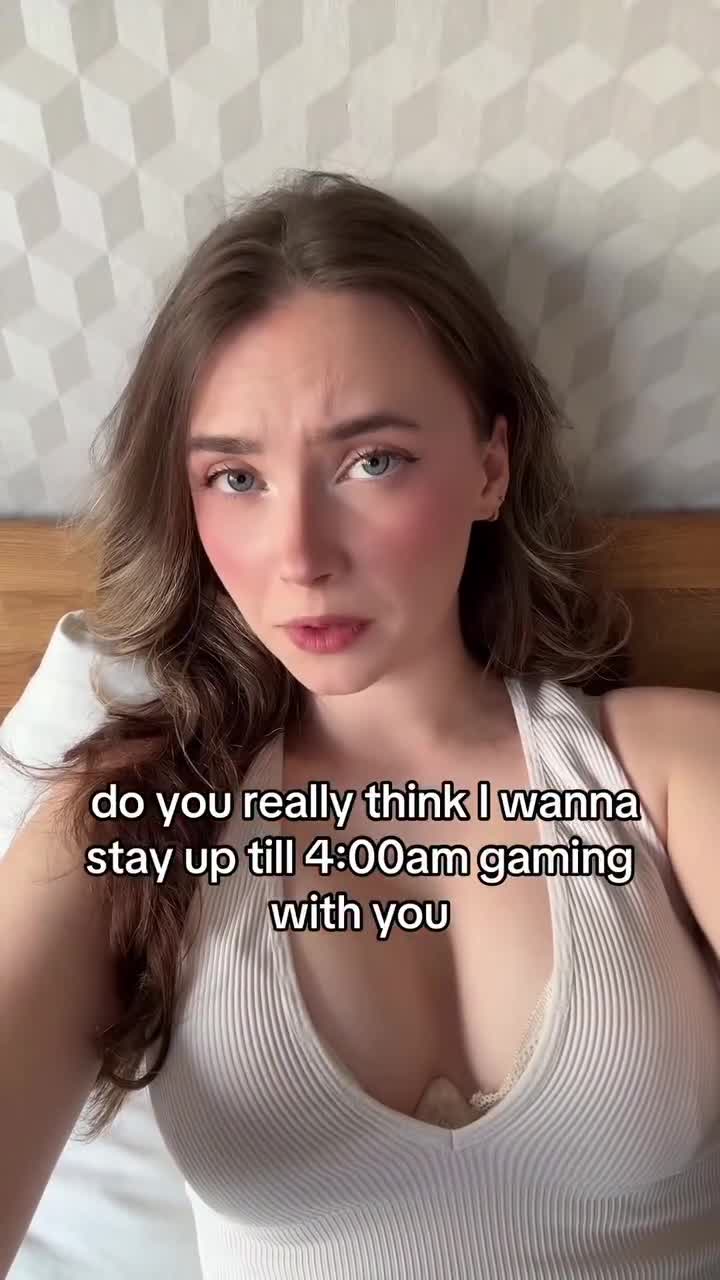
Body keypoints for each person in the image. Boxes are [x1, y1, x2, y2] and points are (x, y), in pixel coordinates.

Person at [2, 168, 720, 1280]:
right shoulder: (126, 830)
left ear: (490, 466)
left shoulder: (671, 770)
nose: (300, 554)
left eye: (370, 461)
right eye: (236, 477)